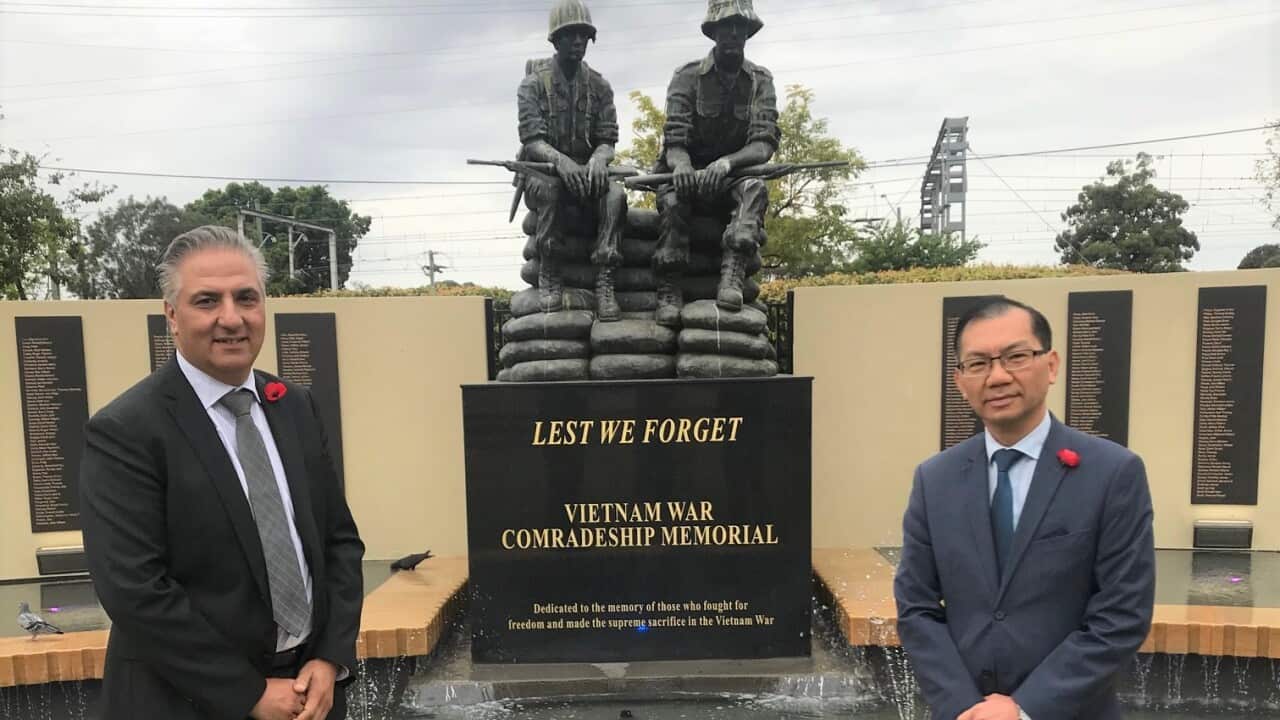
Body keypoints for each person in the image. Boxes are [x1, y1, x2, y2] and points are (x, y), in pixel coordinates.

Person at [79, 226, 365, 720]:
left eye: (246, 298)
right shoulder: (126, 430)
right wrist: (248, 693)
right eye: (207, 300)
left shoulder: (295, 407)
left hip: (308, 694)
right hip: (186, 702)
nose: (231, 318)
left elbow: (338, 542)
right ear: (172, 314)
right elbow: (134, 589)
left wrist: (329, 657)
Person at [893, 296, 1155, 720]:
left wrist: (1024, 708)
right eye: (978, 363)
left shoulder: (1112, 473)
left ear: (1051, 365)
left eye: (1015, 357)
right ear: (960, 380)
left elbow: (1122, 614)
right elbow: (916, 607)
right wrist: (963, 706)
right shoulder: (934, 480)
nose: (997, 376)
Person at [651, 0, 780, 326]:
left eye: (740, 26)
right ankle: (669, 285)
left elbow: (763, 144)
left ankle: (733, 272)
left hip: (733, 177)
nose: (734, 33)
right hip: (686, 176)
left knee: (755, 189)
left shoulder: (761, 81)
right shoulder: (687, 77)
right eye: (726, 26)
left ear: (748, 32)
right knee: (674, 202)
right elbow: (675, 141)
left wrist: (726, 164)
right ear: (714, 31)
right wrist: (682, 166)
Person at [517, 0, 628, 320]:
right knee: (550, 190)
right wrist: (562, 163)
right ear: (555, 39)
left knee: (616, 196)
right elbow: (532, 140)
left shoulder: (600, 86)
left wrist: (598, 160)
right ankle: (550, 271)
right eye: (570, 34)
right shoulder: (533, 85)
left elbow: (607, 140)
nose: (578, 41)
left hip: (587, 173)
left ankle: (605, 278)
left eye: (583, 35)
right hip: (545, 172)